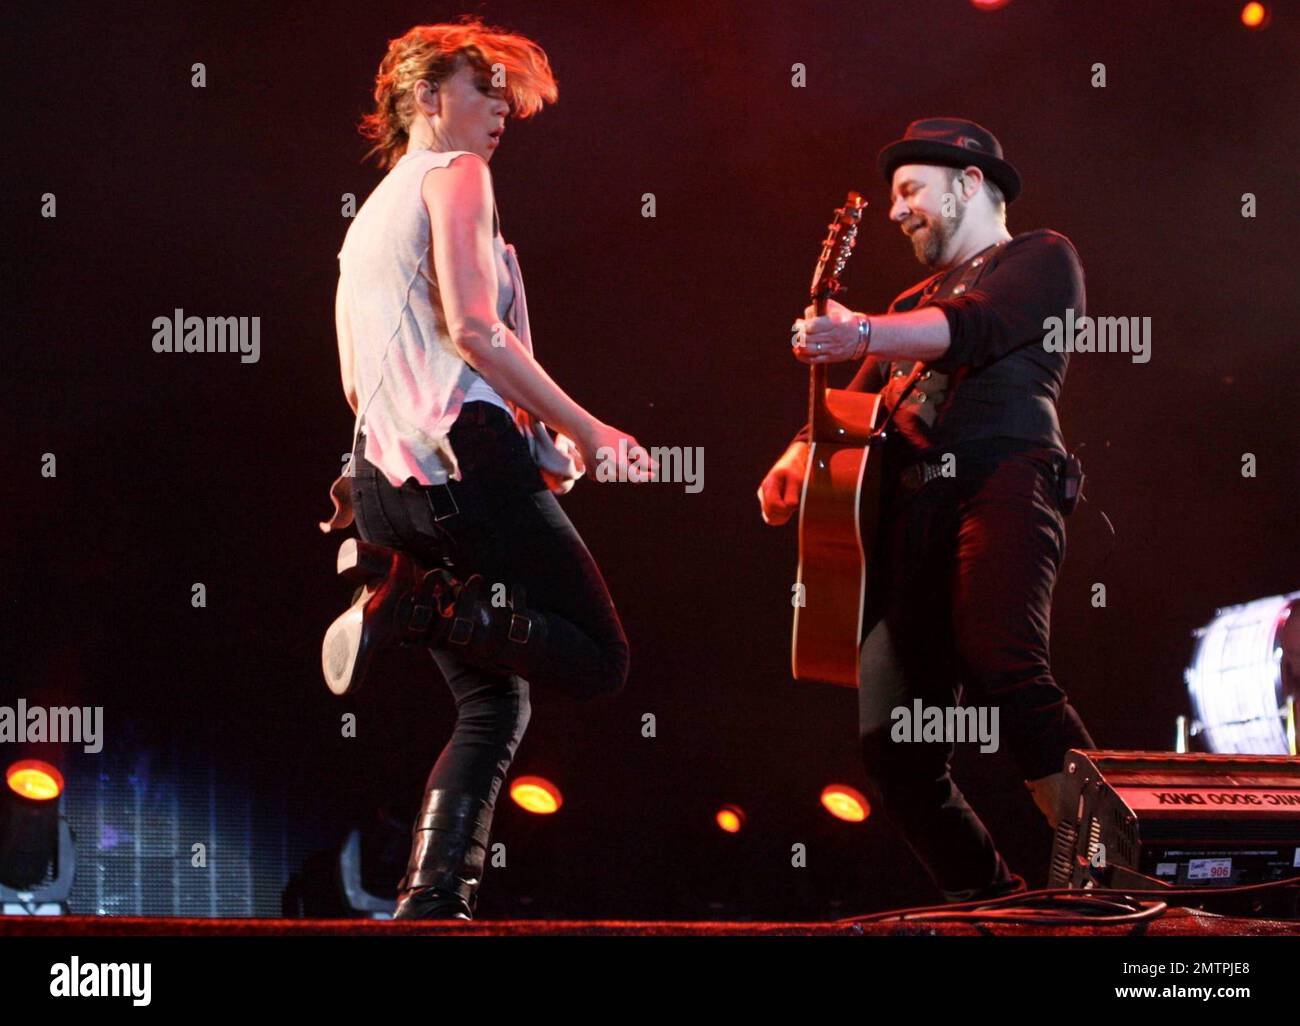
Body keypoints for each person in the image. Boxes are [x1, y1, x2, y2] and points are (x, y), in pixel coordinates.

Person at [319, 19, 648, 920]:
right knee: (601, 658)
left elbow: (366, 377)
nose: (501, 110)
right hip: (460, 463)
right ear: (427, 97)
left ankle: (432, 902)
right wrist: (587, 427)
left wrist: (536, 449)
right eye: (482, 89)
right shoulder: (457, 174)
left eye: (508, 96)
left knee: (494, 708)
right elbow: (474, 328)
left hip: (384, 489)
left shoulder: (371, 218)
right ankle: (415, 601)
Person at [757, 118, 1097, 903]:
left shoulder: (1041, 256)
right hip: (910, 521)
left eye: (910, 190)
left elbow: (971, 329)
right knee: (892, 746)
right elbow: (850, 398)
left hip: (1003, 479)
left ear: (969, 183)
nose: (898, 209)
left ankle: (1109, 860)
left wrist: (862, 330)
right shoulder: (910, 298)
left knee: (1002, 659)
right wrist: (794, 455)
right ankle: (995, 903)